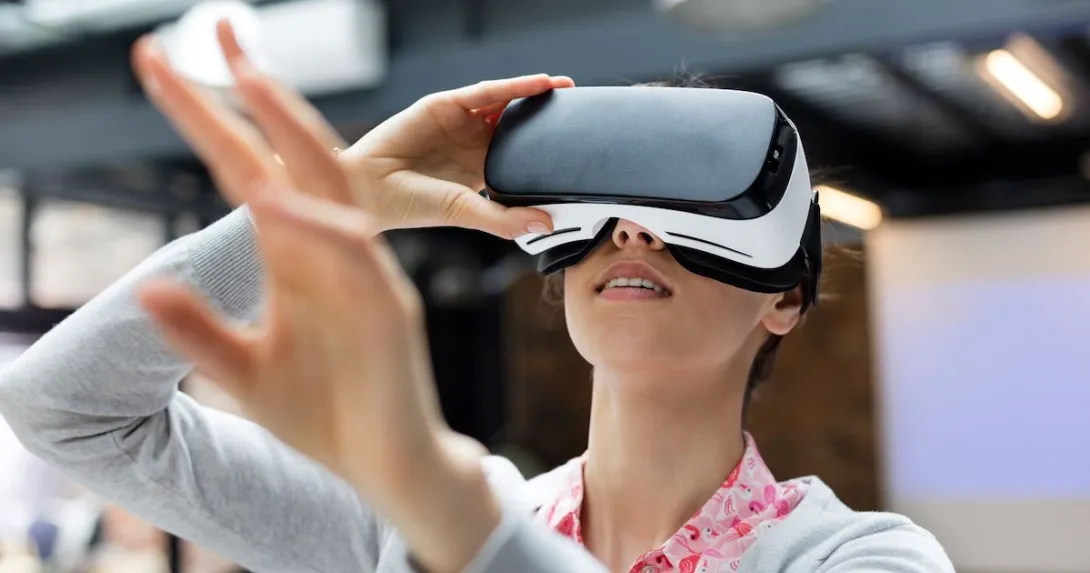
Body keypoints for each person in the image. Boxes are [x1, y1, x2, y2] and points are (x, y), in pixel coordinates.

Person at [0, 22, 953, 573]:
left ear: (782, 300)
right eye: (611, 211)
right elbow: (67, 408)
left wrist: (444, 506)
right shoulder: (395, 523)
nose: (632, 234)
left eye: (680, 211)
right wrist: (328, 205)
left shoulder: (858, 558)